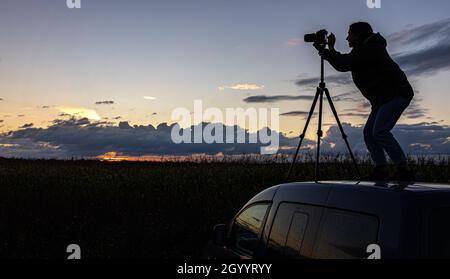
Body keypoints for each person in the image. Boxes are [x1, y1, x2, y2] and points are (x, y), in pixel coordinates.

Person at [320, 22, 414, 181]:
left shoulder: (372, 49)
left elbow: (344, 63)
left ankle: (403, 169)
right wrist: (330, 51)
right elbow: (347, 61)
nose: (347, 37)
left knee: (379, 131)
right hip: (382, 99)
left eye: (350, 34)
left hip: (396, 95)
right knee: (369, 134)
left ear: (359, 35)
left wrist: (330, 50)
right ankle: (381, 169)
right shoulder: (364, 49)